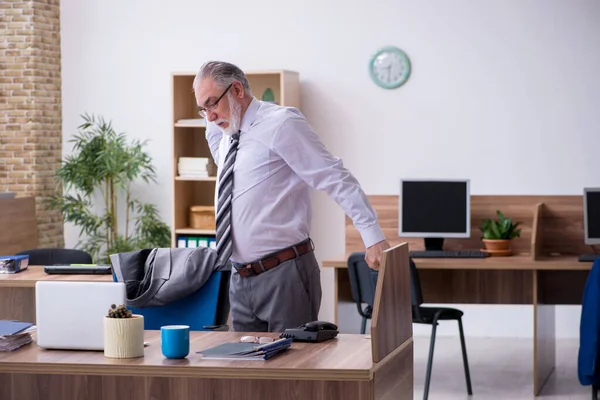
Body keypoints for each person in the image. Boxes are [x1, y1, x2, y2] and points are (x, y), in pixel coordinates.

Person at [193, 61, 390, 333]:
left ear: (237, 89)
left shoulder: (281, 123)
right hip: (239, 278)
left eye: (212, 104)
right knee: (246, 373)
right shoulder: (228, 133)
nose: (210, 116)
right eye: (202, 109)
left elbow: (332, 175)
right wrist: (212, 117)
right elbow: (219, 151)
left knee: (294, 371)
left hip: (284, 274)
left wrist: (372, 235)